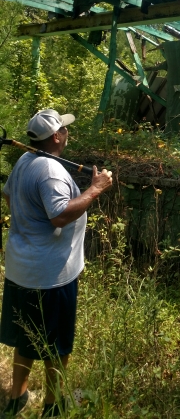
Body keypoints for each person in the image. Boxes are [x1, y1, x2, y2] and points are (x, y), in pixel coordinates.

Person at [0, 109, 113, 417]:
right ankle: (52, 405)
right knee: (56, 344)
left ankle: (16, 397)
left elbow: (9, 196)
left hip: (22, 268)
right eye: (64, 128)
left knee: (26, 337)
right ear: (56, 136)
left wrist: (30, 221)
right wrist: (95, 189)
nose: (67, 131)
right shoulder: (50, 171)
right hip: (50, 277)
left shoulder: (25, 162)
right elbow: (60, 214)